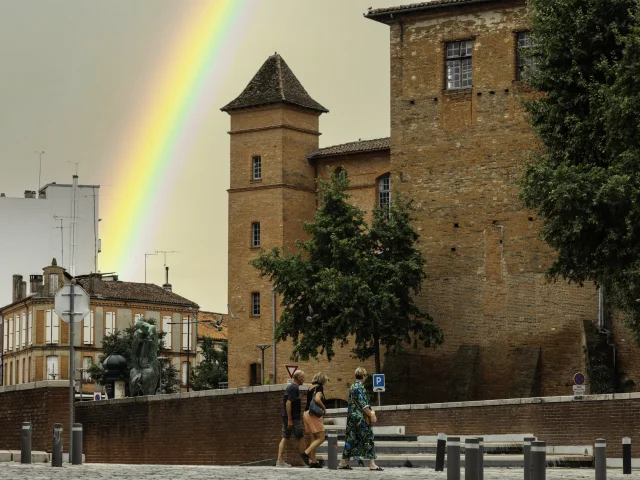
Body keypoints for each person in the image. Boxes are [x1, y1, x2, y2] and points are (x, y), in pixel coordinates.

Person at [338, 367, 383, 471]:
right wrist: (372, 415)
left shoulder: (353, 386)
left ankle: (342, 462)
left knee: (351, 439)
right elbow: (364, 405)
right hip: (360, 419)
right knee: (369, 439)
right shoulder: (359, 387)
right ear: (363, 376)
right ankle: (372, 464)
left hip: (351, 419)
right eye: (365, 375)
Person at [277, 370, 308, 467]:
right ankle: (305, 461)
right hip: (293, 418)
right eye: (303, 377)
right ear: (298, 378)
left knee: (285, 437)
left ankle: (280, 460)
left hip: (288, 417)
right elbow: (288, 403)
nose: (304, 379)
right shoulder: (294, 388)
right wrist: (290, 419)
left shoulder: (290, 387)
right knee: (301, 437)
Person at [303, 372, 329, 468]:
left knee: (313, 438)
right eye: (325, 381)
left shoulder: (310, 387)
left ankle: (313, 462)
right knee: (321, 438)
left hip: (306, 413)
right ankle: (306, 453)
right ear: (322, 380)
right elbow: (317, 399)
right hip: (313, 414)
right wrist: (324, 408)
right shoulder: (319, 387)